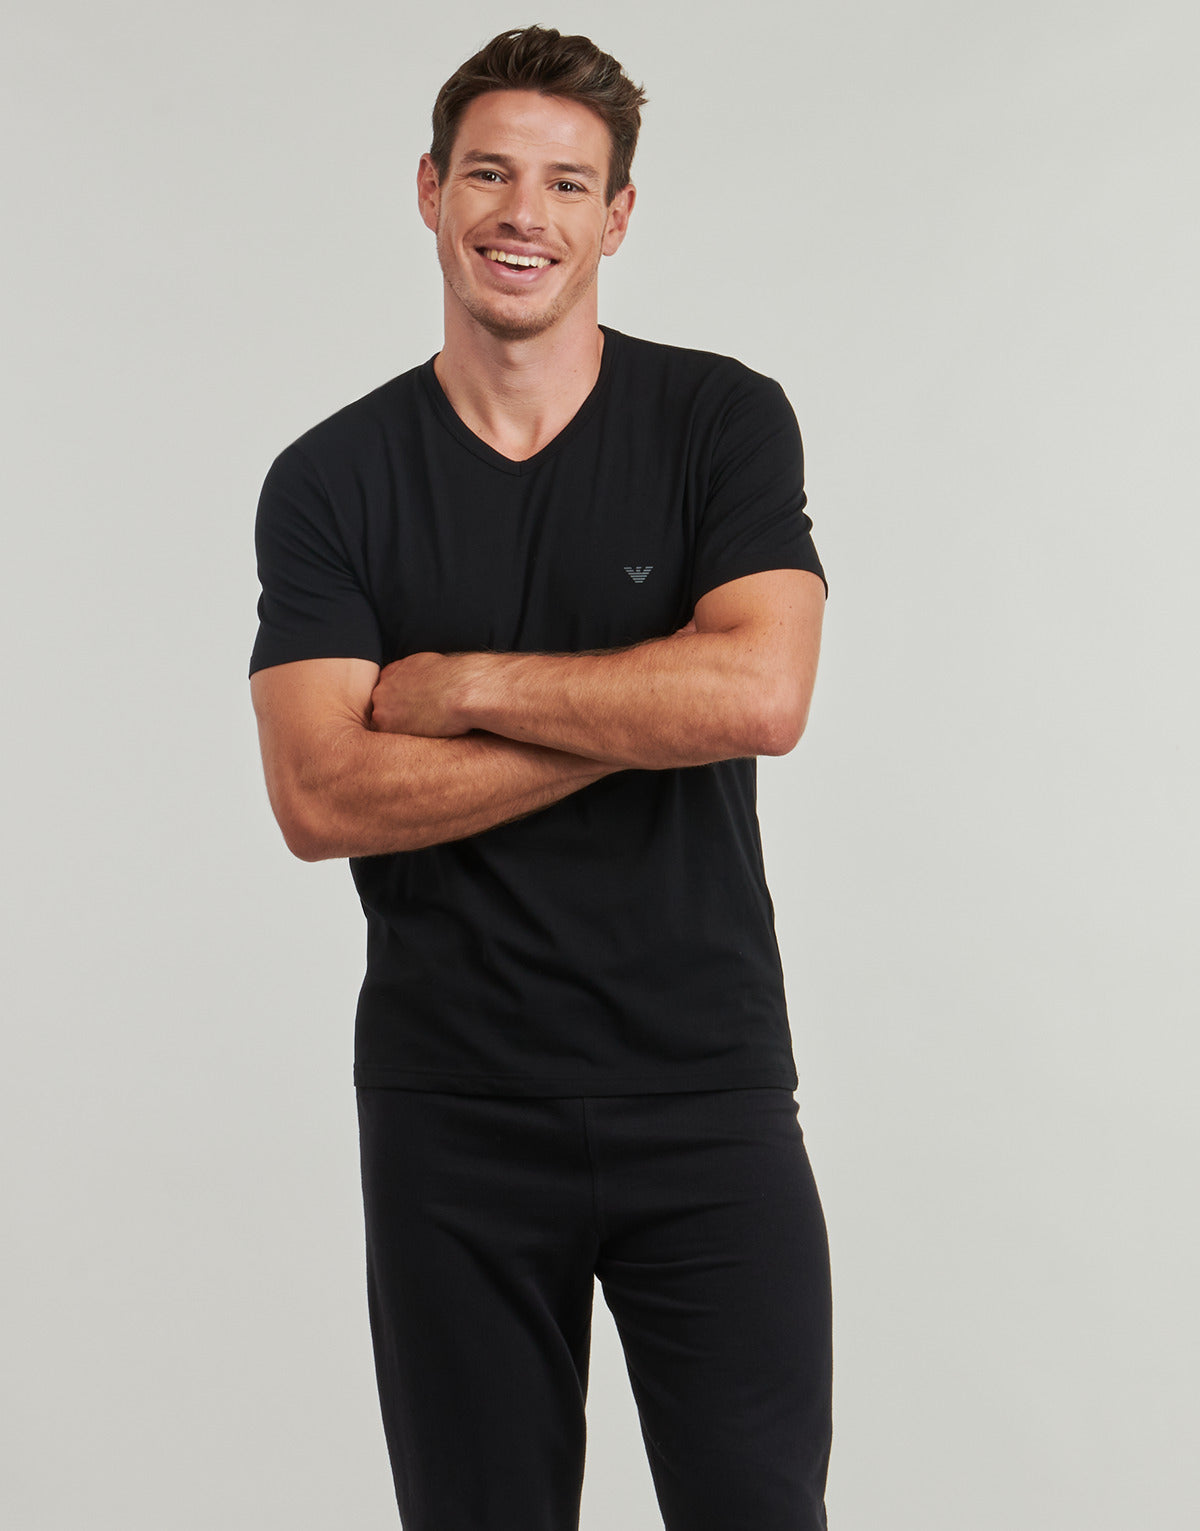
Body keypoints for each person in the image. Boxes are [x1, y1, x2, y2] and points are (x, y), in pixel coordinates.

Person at [249, 23, 833, 1531]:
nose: (526, 215)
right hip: (453, 1107)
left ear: (617, 217)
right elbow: (321, 797)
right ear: (430, 190)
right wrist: (642, 705)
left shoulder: (719, 421)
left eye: (568, 184)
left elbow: (760, 695)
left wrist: (465, 690)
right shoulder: (332, 480)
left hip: (704, 1089)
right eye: (491, 174)